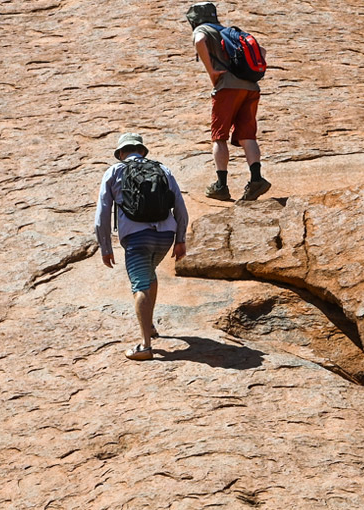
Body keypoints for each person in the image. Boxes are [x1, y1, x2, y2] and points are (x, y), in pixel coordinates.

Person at [95, 133, 189, 361]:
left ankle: (145, 346)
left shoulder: (114, 171)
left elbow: (102, 215)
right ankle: (151, 326)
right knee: (149, 274)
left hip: (137, 238)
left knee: (140, 286)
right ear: (142, 151)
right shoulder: (162, 170)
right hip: (165, 235)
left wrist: (105, 246)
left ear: (120, 154)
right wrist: (180, 239)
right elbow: (179, 205)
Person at [186, 2, 271, 202]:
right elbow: (262, 50)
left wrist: (212, 72)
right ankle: (256, 178)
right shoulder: (228, 31)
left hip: (227, 87)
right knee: (247, 135)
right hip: (250, 87)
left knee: (219, 136)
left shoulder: (202, 29)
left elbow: (200, 40)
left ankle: (221, 185)